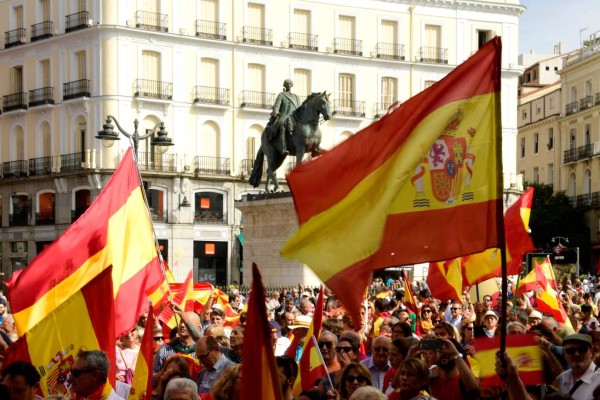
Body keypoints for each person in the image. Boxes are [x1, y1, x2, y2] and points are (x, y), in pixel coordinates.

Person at [153, 311, 201, 376]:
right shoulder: (165, 349)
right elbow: (153, 376)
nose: (182, 325)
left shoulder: (202, 351)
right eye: (181, 321)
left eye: (187, 323)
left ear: (198, 328)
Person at [556, 333, 600, 400]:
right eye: (570, 351)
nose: (576, 354)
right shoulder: (561, 379)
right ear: (564, 354)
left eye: (582, 349)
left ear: (591, 352)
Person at [269, 79, 301, 156]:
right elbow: (277, 106)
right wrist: (275, 112)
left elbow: (300, 108)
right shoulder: (281, 95)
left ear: (292, 85)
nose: (289, 85)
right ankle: (283, 147)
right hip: (285, 116)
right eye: (287, 84)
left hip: (295, 117)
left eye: (290, 83)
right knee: (283, 125)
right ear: (284, 85)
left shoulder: (296, 97)